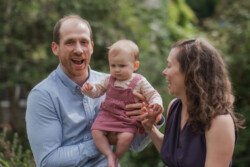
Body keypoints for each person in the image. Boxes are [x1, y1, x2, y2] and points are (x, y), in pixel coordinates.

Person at [25, 14, 164, 167]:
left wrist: (150, 121)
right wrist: (102, 142)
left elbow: (136, 145)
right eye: (70, 42)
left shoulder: (116, 84)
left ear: (91, 46)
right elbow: (48, 161)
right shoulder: (43, 96)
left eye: (84, 42)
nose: (78, 50)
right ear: (55, 48)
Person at [141, 38, 245, 167]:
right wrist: (150, 128)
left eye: (169, 65)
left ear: (191, 71)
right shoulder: (174, 107)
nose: (164, 72)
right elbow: (174, 155)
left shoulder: (220, 122)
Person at [81, 39, 163, 167]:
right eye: (113, 66)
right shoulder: (108, 79)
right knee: (96, 131)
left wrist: (156, 103)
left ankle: (116, 156)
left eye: (122, 66)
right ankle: (108, 154)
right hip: (107, 116)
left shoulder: (140, 81)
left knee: (127, 137)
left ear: (135, 66)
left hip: (126, 119)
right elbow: (97, 92)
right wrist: (90, 90)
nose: (117, 70)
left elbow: (153, 94)